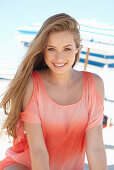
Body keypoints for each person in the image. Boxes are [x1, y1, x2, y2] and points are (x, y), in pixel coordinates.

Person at [0, 13, 107, 170]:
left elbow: (95, 147)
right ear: (43, 50)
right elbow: (38, 151)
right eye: (51, 49)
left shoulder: (94, 84)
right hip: (28, 165)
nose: (59, 57)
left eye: (67, 49)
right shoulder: (32, 84)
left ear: (78, 49)